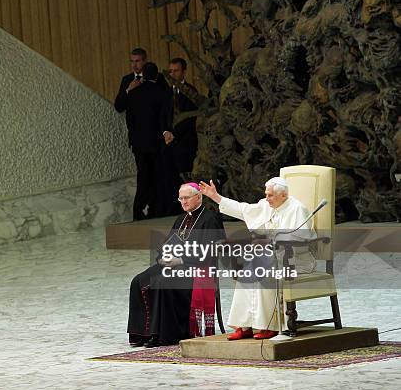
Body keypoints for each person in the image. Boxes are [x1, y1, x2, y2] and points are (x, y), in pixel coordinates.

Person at [199, 177, 316, 340]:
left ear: (283, 195)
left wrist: (273, 244)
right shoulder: (266, 205)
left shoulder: (297, 209)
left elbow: (302, 241)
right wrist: (216, 197)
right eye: (266, 194)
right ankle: (244, 326)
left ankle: (270, 326)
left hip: (295, 261)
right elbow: (242, 209)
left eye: (270, 195)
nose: (266, 198)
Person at [127, 183, 225, 347]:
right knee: (139, 280)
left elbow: (210, 251)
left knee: (162, 282)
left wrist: (180, 261)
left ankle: (161, 334)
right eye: (181, 198)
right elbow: (169, 244)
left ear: (198, 197)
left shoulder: (210, 219)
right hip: (175, 264)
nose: (183, 202)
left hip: (197, 269)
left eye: (187, 198)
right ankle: (141, 334)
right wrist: (163, 258)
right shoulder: (181, 219)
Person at [114, 48, 169, 220]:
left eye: (138, 61)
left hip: (156, 137)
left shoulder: (158, 79)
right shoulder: (127, 80)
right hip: (138, 138)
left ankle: (155, 209)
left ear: (144, 62)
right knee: (143, 173)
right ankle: (141, 210)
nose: (135, 65)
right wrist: (128, 90)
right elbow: (119, 106)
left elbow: (165, 106)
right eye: (132, 61)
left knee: (158, 174)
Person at [157, 58, 201, 217]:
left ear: (183, 72)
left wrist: (175, 133)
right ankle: (174, 210)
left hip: (184, 143)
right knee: (169, 178)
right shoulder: (167, 92)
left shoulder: (190, 91)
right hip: (168, 143)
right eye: (170, 71)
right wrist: (165, 132)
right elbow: (162, 116)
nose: (173, 74)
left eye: (176, 71)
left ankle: (192, 209)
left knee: (186, 177)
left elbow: (190, 118)